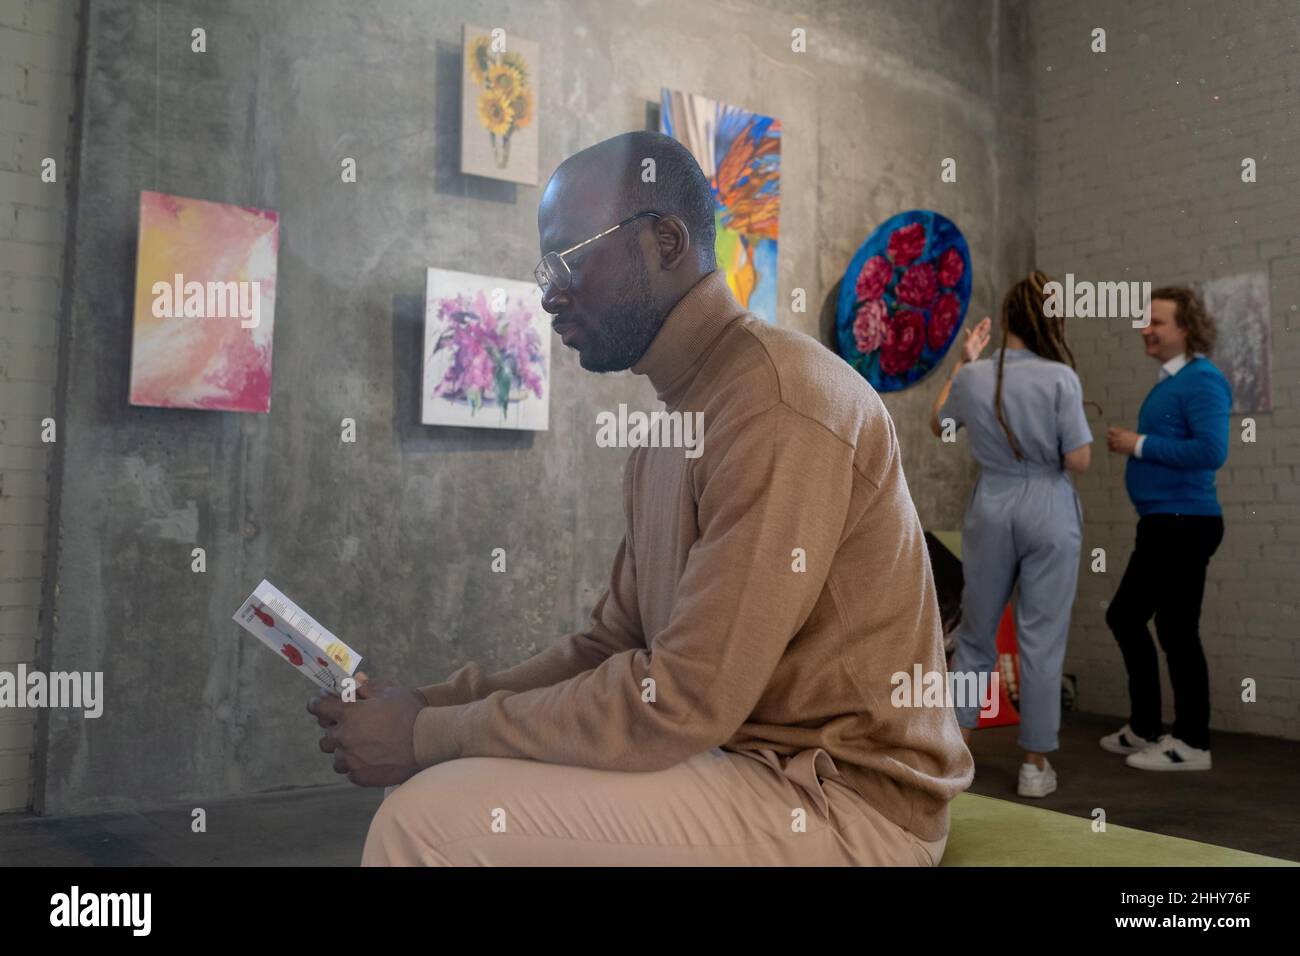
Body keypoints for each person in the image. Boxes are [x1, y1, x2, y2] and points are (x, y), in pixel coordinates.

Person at [307, 130, 972, 866]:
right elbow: (611, 646)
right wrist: (430, 708)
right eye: (542, 267)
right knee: (460, 784)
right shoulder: (673, 427)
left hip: (846, 805)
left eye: (566, 259)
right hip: (744, 763)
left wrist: (424, 740)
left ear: (663, 240)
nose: (548, 292)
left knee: (428, 821)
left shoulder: (779, 405)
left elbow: (682, 699)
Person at [929, 271, 1093, 798]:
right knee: (1041, 640)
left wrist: (963, 365)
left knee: (975, 638)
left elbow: (941, 425)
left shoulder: (976, 378)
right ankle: (1033, 765)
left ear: (1003, 320)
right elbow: (1078, 459)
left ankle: (954, 756)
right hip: (1048, 504)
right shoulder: (1061, 378)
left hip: (992, 506)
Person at [1102, 287, 1230, 771]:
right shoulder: (1171, 382)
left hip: (1185, 522)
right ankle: (1147, 728)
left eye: (1156, 321)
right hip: (1166, 522)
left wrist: (1139, 445)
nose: (1146, 329)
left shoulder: (1203, 381)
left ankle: (1192, 742)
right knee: (1136, 619)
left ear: (1187, 329)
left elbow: (1212, 451)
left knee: (1172, 628)